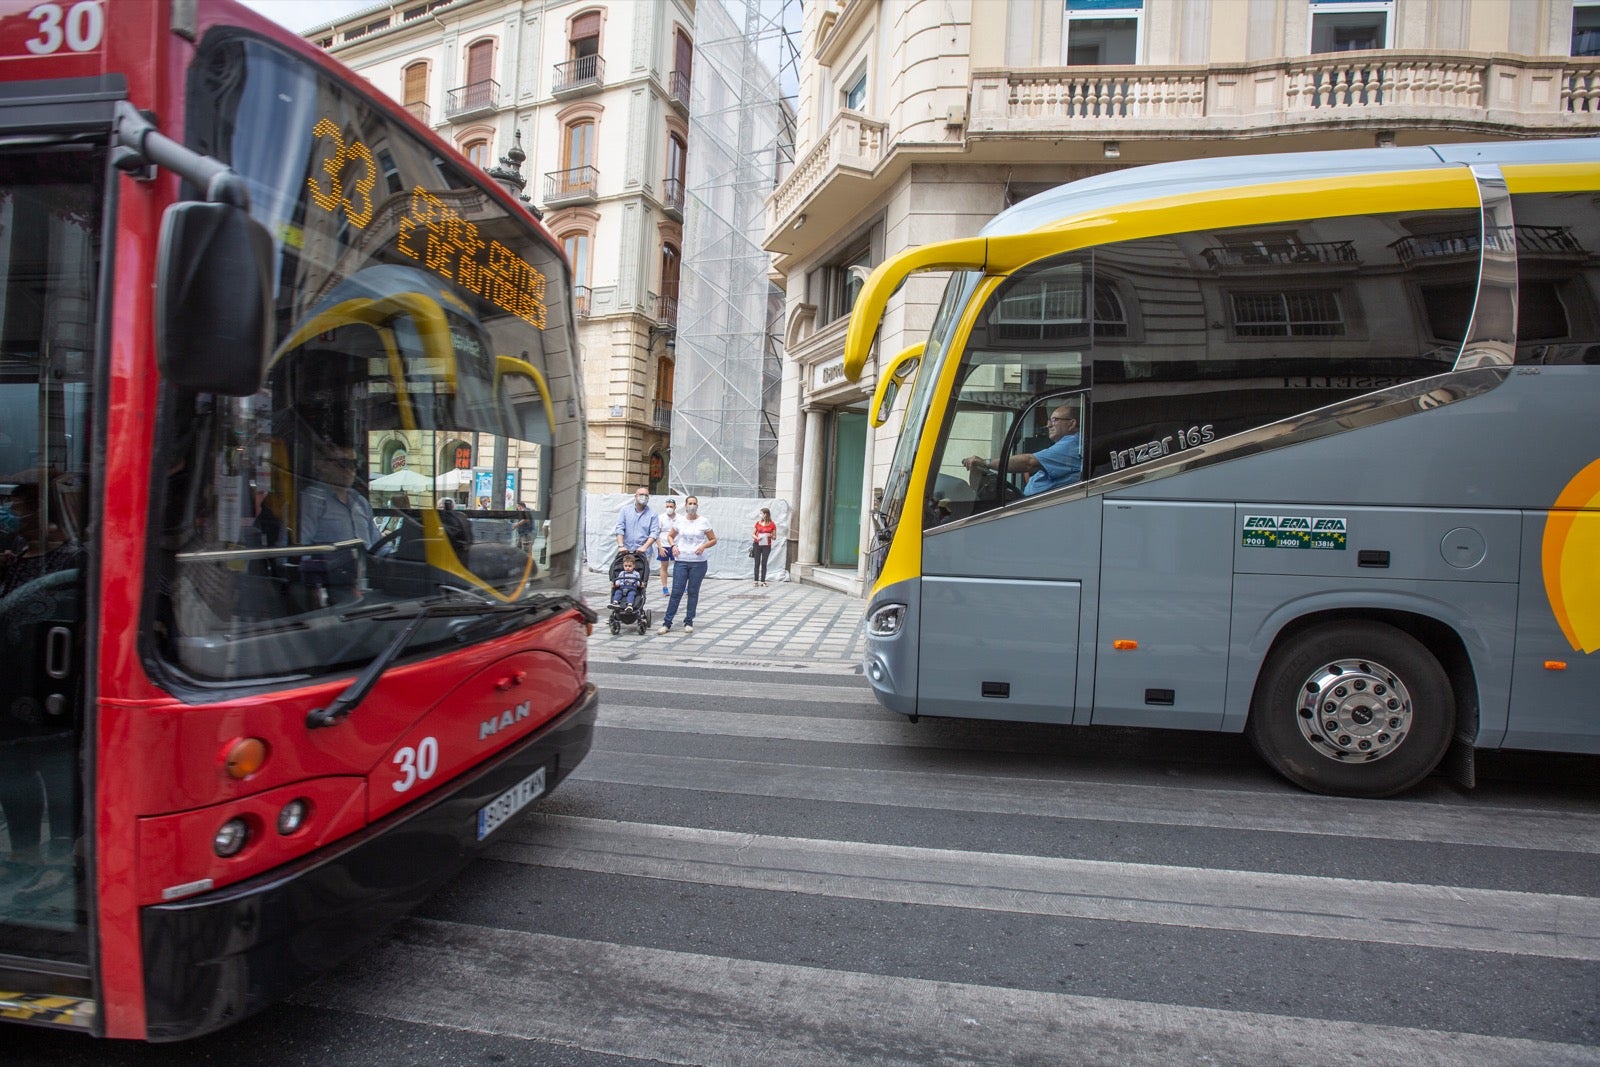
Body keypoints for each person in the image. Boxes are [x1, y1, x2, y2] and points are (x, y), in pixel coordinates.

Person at [299, 443, 383, 599]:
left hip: (366, 588)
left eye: (354, 464)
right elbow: (300, 552)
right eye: (344, 464)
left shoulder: (360, 502)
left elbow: (377, 546)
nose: (350, 470)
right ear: (323, 465)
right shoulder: (312, 501)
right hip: (332, 589)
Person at [962, 402, 1082, 496]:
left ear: (1071, 424)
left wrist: (985, 462)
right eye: (1049, 421)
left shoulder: (1072, 443)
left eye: (1054, 420)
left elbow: (1028, 462)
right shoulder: (1067, 445)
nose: (1049, 425)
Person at [657, 495, 716, 636]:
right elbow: (670, 536)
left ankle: (689, 621)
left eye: (694, 503)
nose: (692, 506)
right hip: (682, 560)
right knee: (676, 591)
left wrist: (703, 546)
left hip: (698, 562)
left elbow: (713, 539)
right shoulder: (680, 521)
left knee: (693, 592)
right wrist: (673, 546)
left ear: (697, 505)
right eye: (690, 503)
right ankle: (667, 622)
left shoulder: (703, 521)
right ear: (685, 505)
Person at [613, 486, 659, 566]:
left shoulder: (652, 514)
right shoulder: (625, 510)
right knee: (623, 575)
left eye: (646, 495)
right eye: (641, 494)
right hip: (626, 551)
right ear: (635, 496)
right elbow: (620, 528)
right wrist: (621, 545)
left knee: (641, 576)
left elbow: (654, 533)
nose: (643, 497)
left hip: (643, 553)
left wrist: (644, 547)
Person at [655, 497, 678, 595]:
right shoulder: (661, 518)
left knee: (679, 567)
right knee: (664, 566)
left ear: (675, 507)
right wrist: (660, 547)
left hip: (675, 545)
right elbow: (655, 533)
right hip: (664, 545)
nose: (669, 508)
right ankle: (664, 587)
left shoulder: (680, 518)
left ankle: (680, 586)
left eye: (671, 506)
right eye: (667, 506)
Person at [751, 507, 777, 587]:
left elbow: (775, 537)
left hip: (766, 546)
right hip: (757, 544)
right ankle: (756, 581)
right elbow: (752, 534)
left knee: (764, 563)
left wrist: (770, 535)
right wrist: (757, 537)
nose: (760, 515)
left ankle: (763, 581)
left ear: (765, 514)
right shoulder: (757, 523)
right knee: (757, 562)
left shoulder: (772, 524)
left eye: (761, 513)